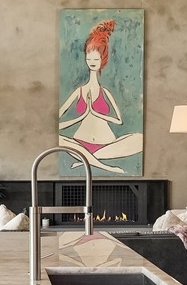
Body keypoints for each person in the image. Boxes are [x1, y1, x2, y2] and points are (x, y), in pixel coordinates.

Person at [58, 19, 144, 173]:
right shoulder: (79, 91)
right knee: (58, 139)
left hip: (106, 144)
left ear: (102, 60)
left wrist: (96, 113)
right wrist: (82, 116)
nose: (92, 62)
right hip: (80, 143)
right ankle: (104, 166)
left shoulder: (105, 93)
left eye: (96, 59)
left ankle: (88, 160)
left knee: (139, 139)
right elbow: (56, 124)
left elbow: (119, 120)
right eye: (89, 58)